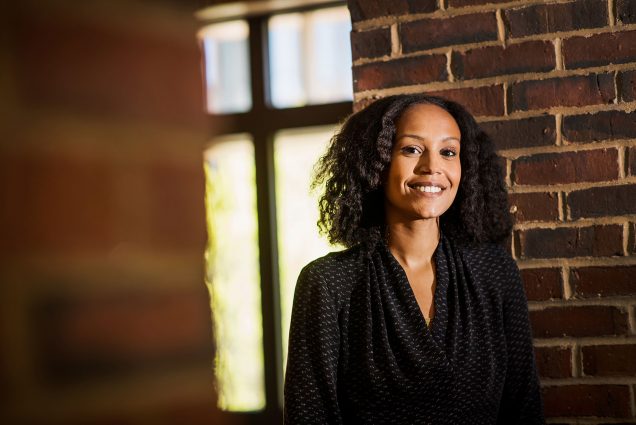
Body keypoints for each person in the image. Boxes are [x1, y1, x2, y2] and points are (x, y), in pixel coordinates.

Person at [283, 94, 544, 424]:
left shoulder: (493, 271)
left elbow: (524, 411)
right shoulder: (329, 283)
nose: (432, 166)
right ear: (377, 162)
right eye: (412, 149)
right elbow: (310, 417)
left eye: (448, 152)